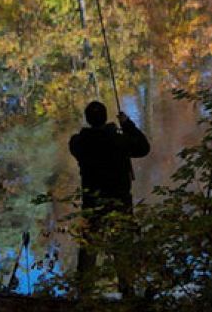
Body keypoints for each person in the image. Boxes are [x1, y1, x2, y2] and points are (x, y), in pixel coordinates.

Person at [69, 101, 150, 296]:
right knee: (122, 247)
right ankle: (127, 291)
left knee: (89, 249)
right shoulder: (119, 141)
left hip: (92, 205)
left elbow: (77, 141)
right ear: (105, 118)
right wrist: (126, 124)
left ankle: (84, 293)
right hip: (119, 203)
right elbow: (143, 148)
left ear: (88, 119)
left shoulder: (79, 143)